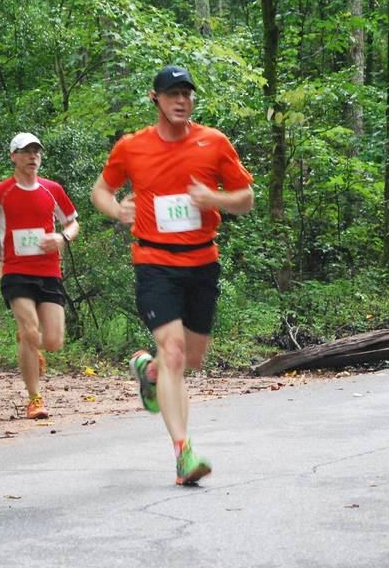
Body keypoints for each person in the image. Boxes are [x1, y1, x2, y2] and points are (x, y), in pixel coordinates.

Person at [91, 66, 254, 485]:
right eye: (172, 94)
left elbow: (246, 198)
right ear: (156, 99)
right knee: (176, 353)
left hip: (202, 261)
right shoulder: (132, 147)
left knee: (191, 359)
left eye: (187, 94)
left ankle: (149, 370)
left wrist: (212, 198)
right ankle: (184, 453)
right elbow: (101, 190)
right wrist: (116, 210)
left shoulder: (214, 142)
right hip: (154, 261)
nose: (181, 100)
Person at [0, 132, 79, 420]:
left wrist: (62, 238)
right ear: (13, 156)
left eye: (36, 152)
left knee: (53, 342)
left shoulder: (52, 189)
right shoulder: (1, 191)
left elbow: (73, 223)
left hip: (49, 272)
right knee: (29, 331)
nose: (32, 157)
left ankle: (29, 341)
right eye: (26, 152)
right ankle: (35, 399)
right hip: (16, 272)